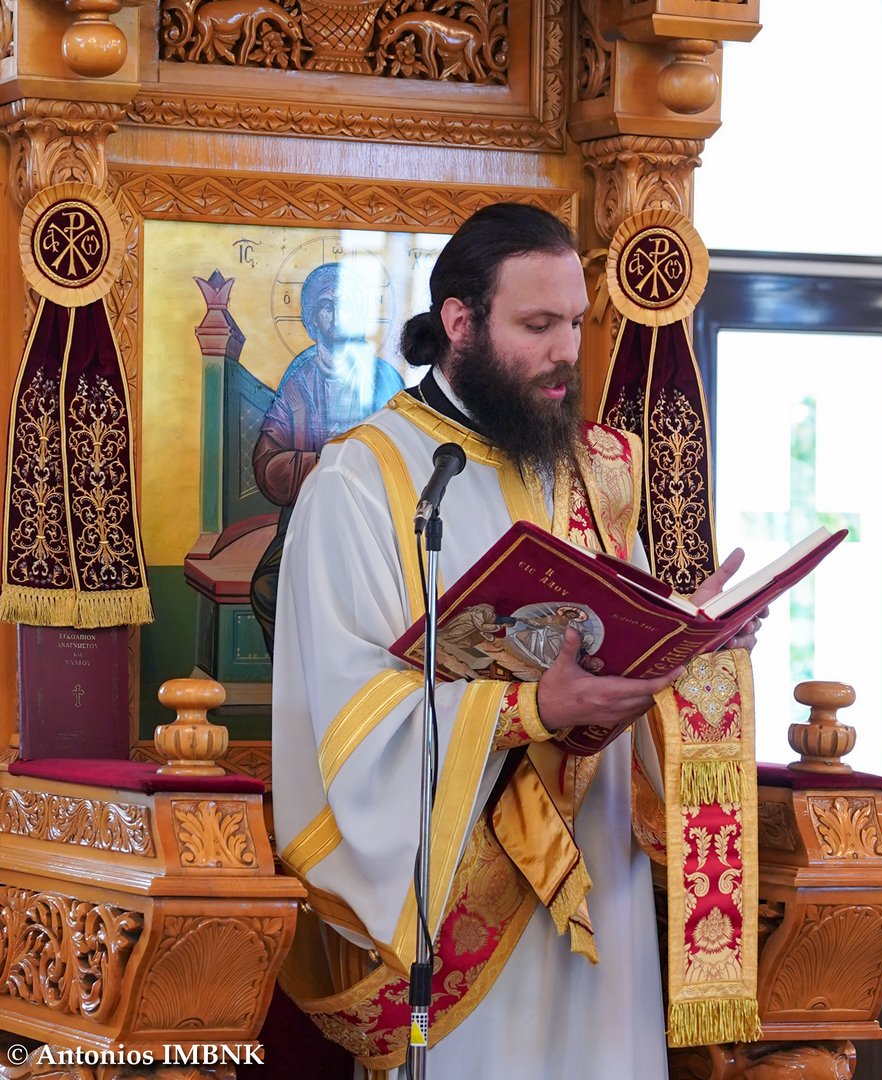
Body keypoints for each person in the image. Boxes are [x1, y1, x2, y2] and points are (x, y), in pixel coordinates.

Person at [272, 203, 762, 1077]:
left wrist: (693, 638)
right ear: (460, 322)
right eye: (537, 326)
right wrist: (531, 708)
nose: (565, 351)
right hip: (460, 891)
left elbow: (627, 633)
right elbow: (349, 714)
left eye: (574, 323)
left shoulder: (596, 470)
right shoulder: (366, 479)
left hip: (601, 872)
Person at [250, 261, 404, 654]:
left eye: (346, 304)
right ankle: (300, 676)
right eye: (326, 305)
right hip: (309, 513)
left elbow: (408, 449)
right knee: (268, 588)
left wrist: (361, 463)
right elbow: (268, 461)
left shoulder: (384, 379)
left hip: (377, 516)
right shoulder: (299, 381)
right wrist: (327, 461)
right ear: (311, 318)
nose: (336, 314)